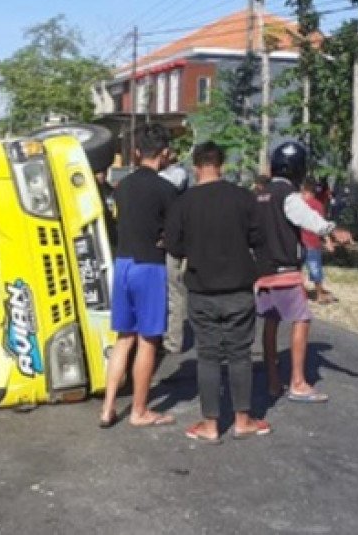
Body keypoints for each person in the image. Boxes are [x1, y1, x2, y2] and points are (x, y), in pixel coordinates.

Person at [166, 141, 270, 442]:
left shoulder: (183, 203)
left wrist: (193, 249)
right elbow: (258, 238)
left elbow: (173, 245)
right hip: (238, 287)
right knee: (240, 355)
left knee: (208, 356)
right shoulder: (243, 198)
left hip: (201, 288)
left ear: (196, 167)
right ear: (221, 164)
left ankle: (210, 425)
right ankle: (242, 420)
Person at [255, 142, 352, 403]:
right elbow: (306, 218)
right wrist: (332, 230)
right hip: (285, 270)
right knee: (302, 319)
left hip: (262, 270)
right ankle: (297, 382)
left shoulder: (261, 195)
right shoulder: (288, 195)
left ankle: (274, 381)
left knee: (271, 322)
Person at [98, 124, 178, 429]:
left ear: (135, 152)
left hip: (124, 263)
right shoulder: (166, 190)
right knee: (148, 340)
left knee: (123, 339)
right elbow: (173, 233)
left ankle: (107, 408)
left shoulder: (123, 187)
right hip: (148, 266)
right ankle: (140, 410)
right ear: (165, 154)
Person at [159, 149, 190, 355]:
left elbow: (168, 185)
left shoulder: (177, 174)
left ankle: (174, 340)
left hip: (173, 243)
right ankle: (164, 334)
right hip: (164, 241)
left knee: (174, 291)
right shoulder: (164, 176)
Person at [300, 179, 335, 305]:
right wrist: (328, 241)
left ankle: (301, 294)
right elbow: (322, 225)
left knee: (298, 271)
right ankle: (320, 294)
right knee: (316, 270)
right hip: (312, 242)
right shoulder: (318, 205)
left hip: (300, 242)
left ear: (305, 191)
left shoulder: (300, 205)